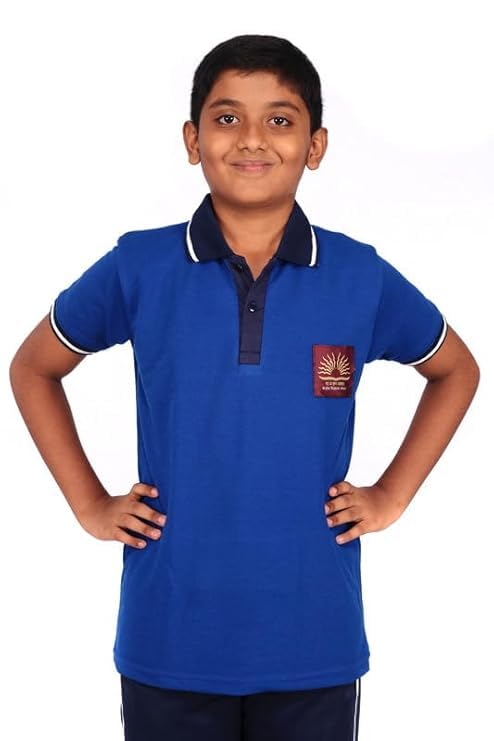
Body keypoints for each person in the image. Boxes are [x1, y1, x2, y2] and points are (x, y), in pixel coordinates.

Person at [9, 33, 480, 741]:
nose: (253, 138)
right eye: (227, 117)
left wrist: (391, 495)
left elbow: (456, 370)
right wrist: (89, 504)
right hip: (169, 633)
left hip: (314, 636)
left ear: (315, 146)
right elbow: (33, 367)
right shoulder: (139, 266)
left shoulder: (360, 275)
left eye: (280, 119)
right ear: (192, 139)